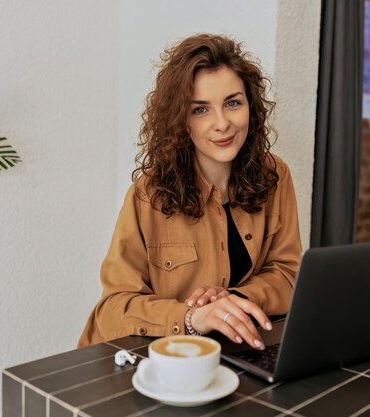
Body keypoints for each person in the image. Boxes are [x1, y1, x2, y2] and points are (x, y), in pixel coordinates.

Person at [78, 33, 301, 350]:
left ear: (251, 108)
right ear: (180, 120)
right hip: (137, 364)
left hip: (225, 352)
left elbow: (288, 274)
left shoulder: (275, 176)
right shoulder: (148, 195)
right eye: (200, 110)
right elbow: (113, 309)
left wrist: (233, 299)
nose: (222, 123)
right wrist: (192, 318)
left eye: (232, 103)